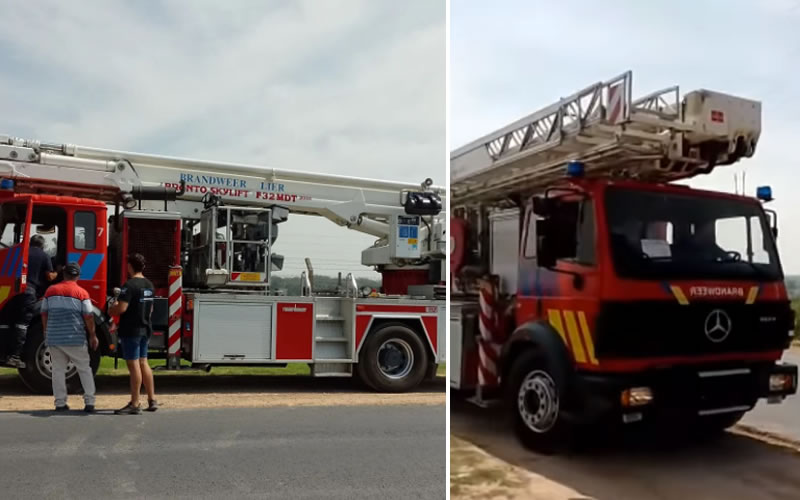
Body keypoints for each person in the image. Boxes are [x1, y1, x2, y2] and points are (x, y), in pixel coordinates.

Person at [41, 262, 98, 412]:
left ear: (64, 274)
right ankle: (89, 402)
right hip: (75, 338)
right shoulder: (82, 293)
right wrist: (93, 335)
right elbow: (89, 316)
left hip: (54, 338)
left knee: (58, 370)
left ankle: (60, 403)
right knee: (84, 368)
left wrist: (46, 331)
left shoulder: (50, 291)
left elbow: (44, 313)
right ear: (78, 276)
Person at [109, 253, 158, 415]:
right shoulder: (149, 285)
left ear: (130, 266)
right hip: (145, 327)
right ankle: (152, 400)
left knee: (133, 364)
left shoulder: (129, 286)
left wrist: (111, 308)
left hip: (131, 330)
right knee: (144, 362)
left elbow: (121, 308)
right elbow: (150, 309)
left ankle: (135, 403)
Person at [3, 234, 57, 368]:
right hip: (29, 292)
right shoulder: (43, 256)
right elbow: (49, 277)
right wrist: (58, 272)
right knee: (23, 324)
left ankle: (5, 354)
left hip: (14, 291)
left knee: (10, 322)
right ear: (42, 245)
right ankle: (14, 357)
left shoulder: (21, 253)